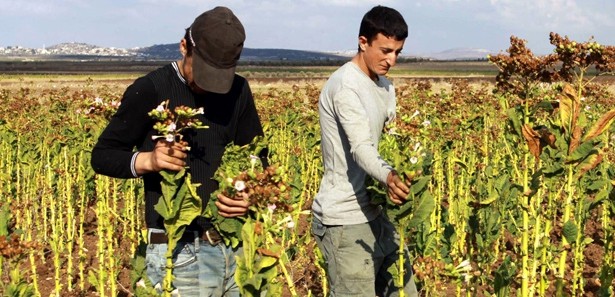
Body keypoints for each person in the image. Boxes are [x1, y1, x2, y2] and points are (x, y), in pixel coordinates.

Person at [91, 6, 266, 296]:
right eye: (204, 73)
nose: (210, 87)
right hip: (178, 250)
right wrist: (149, 160)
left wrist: (252, 193)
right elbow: (103, 155)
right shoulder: (150, 89)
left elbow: (257, 156)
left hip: (236, 247)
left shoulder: (239, 91)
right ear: (184, 46)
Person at [311, 5, 418, 297]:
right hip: (344, 220)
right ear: (362, 42)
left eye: (397, 52)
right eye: (385, 50)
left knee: (405, 291)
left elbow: (391, 142)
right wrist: (390, 176)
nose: (392, 60)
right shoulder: (345, 87)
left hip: (379, 212)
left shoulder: (385, 86)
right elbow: (361, 148)